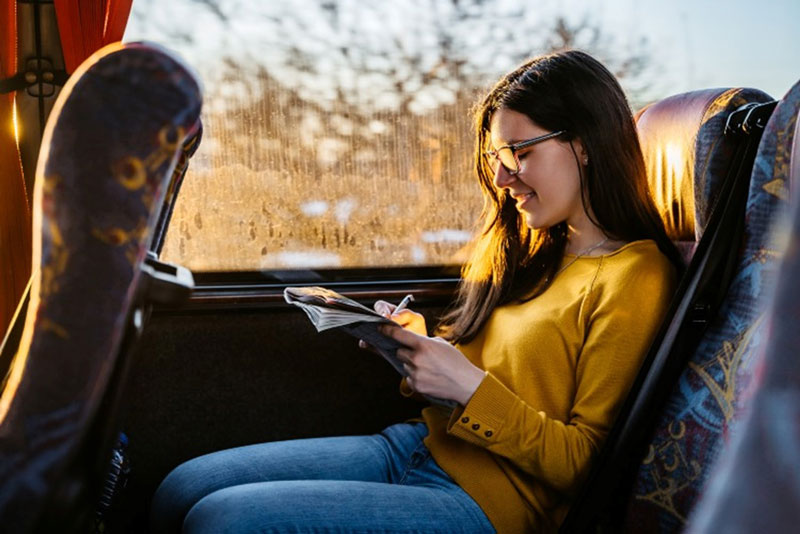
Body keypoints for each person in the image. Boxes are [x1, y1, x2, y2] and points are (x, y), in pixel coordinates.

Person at [150, 49, 680, 533]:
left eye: (518, 151)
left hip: (489, 502)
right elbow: (489, 380)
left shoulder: (635, 275)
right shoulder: (537, 254)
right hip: (418, 444)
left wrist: (469, 389)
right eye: (497, 156)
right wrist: (416, 350)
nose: (501, 177)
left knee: (223, 520)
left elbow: (590, 465)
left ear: (583, 145)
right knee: (182, 488)